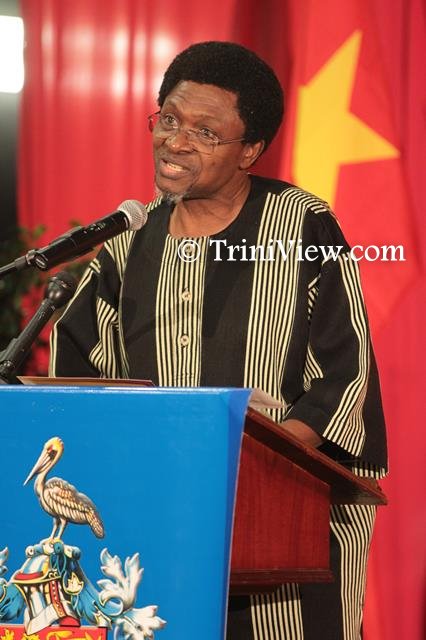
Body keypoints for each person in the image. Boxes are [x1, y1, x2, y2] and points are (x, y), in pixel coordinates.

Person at [49, 41, 387, 640]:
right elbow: (78, 385)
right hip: (159, 522)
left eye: (205, 133)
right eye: (169, 120)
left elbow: (343, 379)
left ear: (249, 150)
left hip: (286, 526)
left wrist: (235, 470)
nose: (176, 142)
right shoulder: (126, 246)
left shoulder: (302, 226)